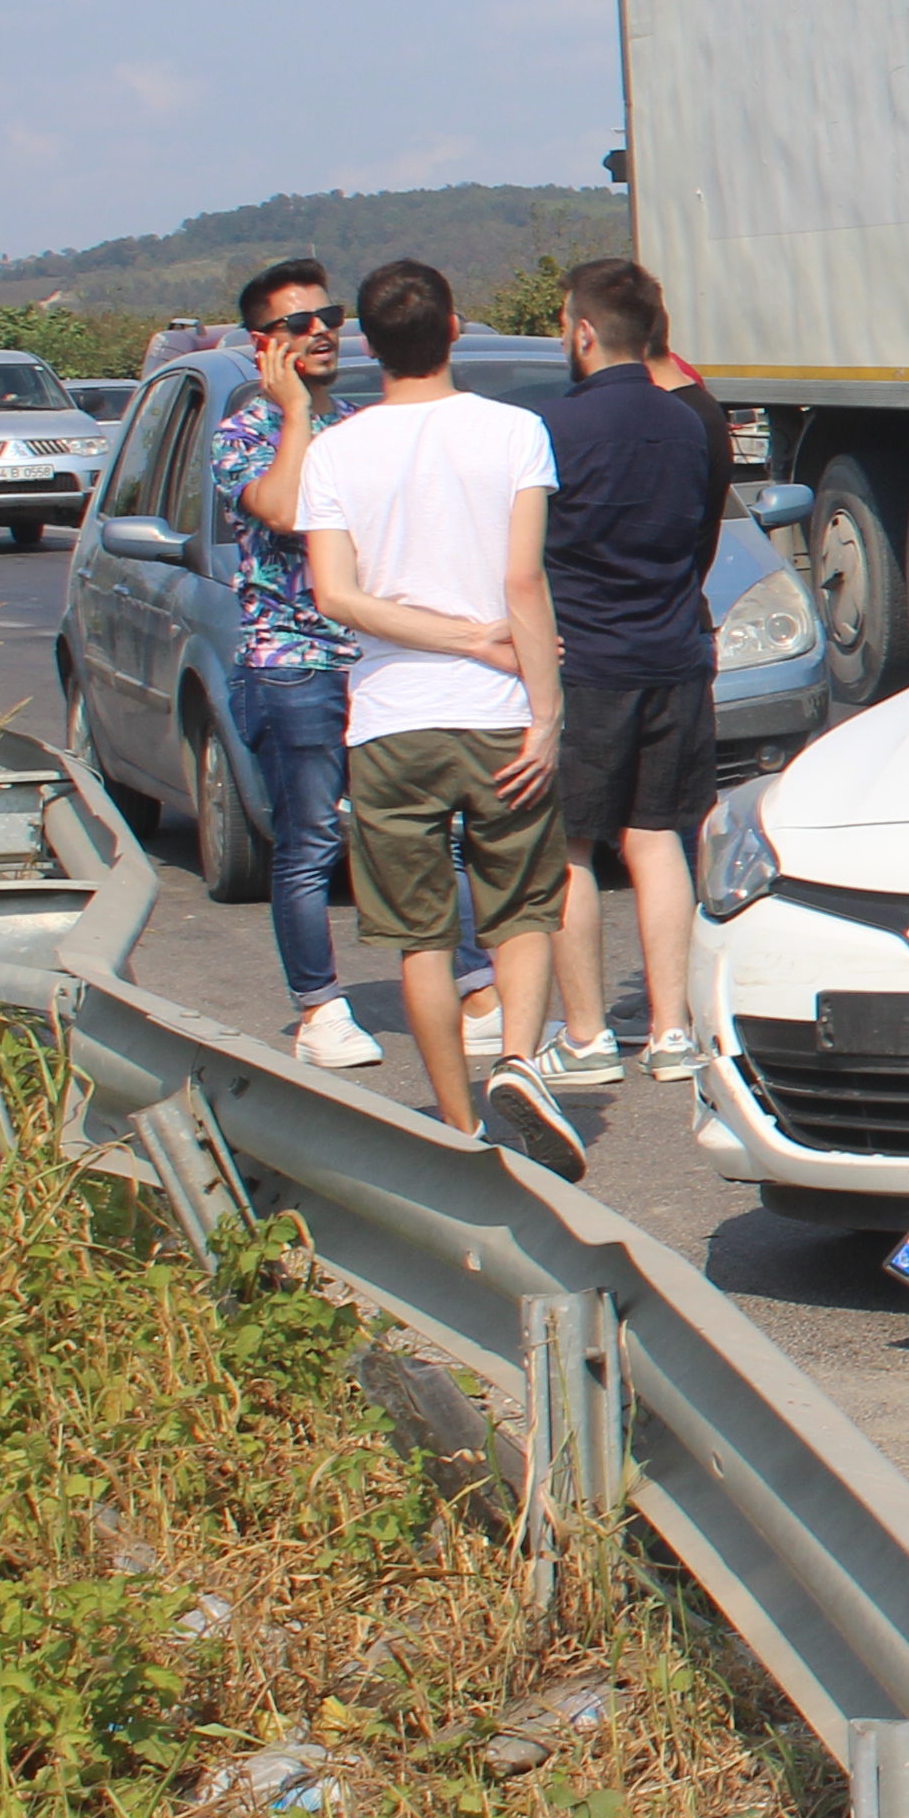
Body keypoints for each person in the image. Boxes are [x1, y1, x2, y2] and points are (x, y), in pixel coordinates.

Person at [297, 258, 585, 1184]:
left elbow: (336, 596)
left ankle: (458, 1124)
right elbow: (522, 582)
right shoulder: (515, 431)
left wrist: (446, 638)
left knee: (420, 935)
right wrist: (541, 708)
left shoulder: (335, 452)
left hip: (387, 721)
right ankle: (519, 1067)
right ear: (455, 328)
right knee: (523, 907)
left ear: (364, 346)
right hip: (500, 712)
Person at [530, 259, 727, 1087]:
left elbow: (526, 556)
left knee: (570, 845)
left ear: (581, 331)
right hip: (676, 652)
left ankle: (584, 1037)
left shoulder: (552, 428)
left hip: (589, 660)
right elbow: (701, 538)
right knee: (658, 839)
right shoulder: (692, 421)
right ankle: (670, 1032)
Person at [205, 256, 384, 1071]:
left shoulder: (359, 425)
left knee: (428, 830)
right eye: (299, 324)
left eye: (330, 318)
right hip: (292, 664)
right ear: (263, 345)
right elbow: (283, 509)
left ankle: (475, 984)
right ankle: (319, 1008)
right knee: (309, 842)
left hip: (376, 659)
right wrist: (290, 413)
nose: (321, 333)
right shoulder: (244, 434)